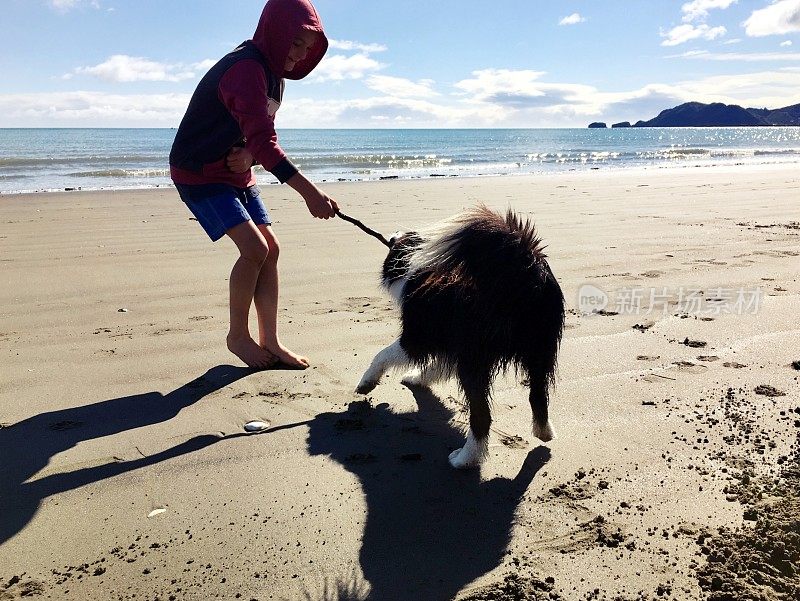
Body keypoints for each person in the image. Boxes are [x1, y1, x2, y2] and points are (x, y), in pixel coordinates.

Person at [169, 0, 337, 370]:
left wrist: (250, 156)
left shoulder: (275, 75)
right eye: (295, 43)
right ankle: (237, 336)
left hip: (235, 173)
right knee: (254, 248)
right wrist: (311, 194)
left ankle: (271, 339)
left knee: (271, 248)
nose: (300, 55)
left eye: (307, 49)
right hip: (199, 173)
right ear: (275, 32)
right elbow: (263, 138)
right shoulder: (245, 68)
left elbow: (260, 136)